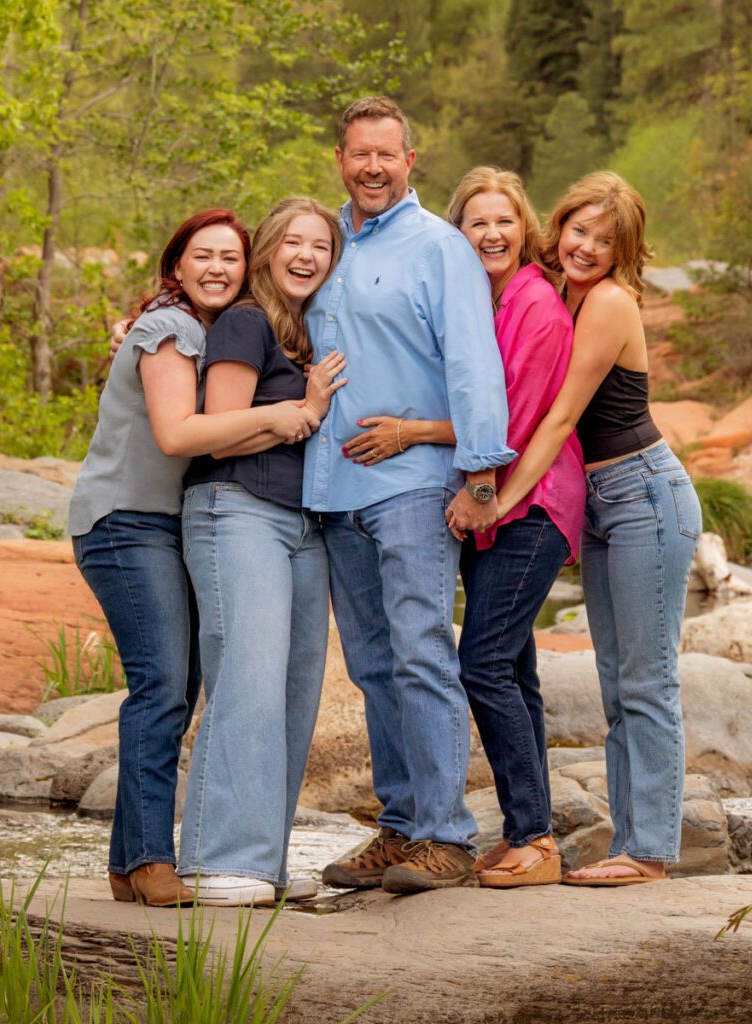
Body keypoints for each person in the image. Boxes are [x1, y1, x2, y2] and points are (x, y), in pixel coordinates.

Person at [69, 208, 322, 907]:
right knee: (161, 688)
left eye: (230, 258)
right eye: (201, 256)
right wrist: (284, 414)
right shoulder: (169, 330)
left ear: (249, 268)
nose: (217, 267)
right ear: (175, 266)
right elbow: (181, 435)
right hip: (126, 523)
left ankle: (128, 863)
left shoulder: (205, 330)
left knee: (175, 690)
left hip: (167, 526)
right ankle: (153, 860)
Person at [342, 167, 584, 887]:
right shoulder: (478, 295)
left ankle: (534, 838)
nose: (492, 233)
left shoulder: (535, 305)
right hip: (488, 508)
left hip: (531, 504)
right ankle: (527, 831)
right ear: (457, 234)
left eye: (504, 221)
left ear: (525, 228)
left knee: (479, 661)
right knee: (513, 667)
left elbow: (507, 419)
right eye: (476, 222)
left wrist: (413, 432)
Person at [307, 98, 514, 895]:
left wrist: (480, 474)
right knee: (372, 666)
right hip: (336, 492)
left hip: (413, 490)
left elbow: (473, 362)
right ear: (340, 158)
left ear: (410, 160)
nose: (371, 167)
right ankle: (398, 829)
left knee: (422, 650)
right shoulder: (326, 241)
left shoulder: (439, 248)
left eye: (385, 155)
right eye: (359, 154)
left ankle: (448, 836)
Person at [495, 172, 702, 886]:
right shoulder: (555, 290)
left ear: (625, 252)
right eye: (578, 229)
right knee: (616, 683)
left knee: (646, 682)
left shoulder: (610, 302)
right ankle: (631, 842)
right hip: (604, 503)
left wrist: (502, 501)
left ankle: (647, 853)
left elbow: (559, 415)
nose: (586, 246)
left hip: (645, 493)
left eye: (604, 240)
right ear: (560, 225)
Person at [177, 197, 346, 907]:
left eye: (322, 246)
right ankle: (218, 860)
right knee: (246, 679)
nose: (307, 255)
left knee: (295, 691)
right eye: (294, 242)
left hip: (304, 525)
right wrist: (303, 412)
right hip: (236, 508)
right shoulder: (246, 323)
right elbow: (216, 431)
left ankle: (263, 864)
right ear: (270, 248)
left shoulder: (308, 333)